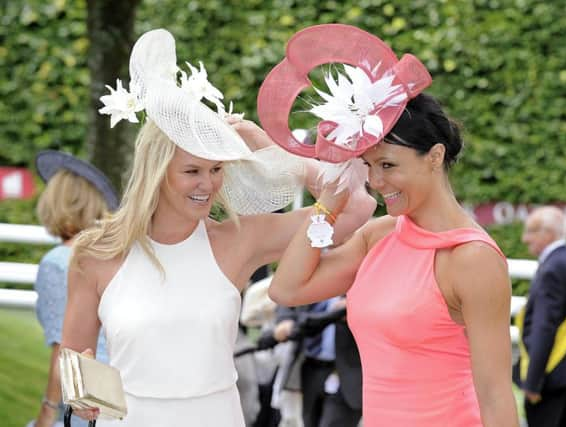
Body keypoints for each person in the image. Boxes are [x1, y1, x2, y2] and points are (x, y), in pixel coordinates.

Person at [60, 29, 375, 426]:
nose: (207, 184)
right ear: (155, 173)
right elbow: (73, 360)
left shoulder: (239, 240)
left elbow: (357, 206)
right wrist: (81, 393)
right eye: (192, 170)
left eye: (216, 169)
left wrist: (262, 144)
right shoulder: (95, 254)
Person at [263, 24, 519, 427]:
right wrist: (330, 197)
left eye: (388, 165)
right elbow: (287, 288)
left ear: (434, 157)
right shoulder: (379, 235)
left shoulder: (473, 259)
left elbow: (495, 393)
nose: (376, 182)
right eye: (367, 166)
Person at [28, 151, 118, 427]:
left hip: (86, 399)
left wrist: (47, 411)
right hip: (121, 391)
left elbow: (64, 351)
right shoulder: (111, 255)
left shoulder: (59, 262)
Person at [514, 206, 566, 426]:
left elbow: (544, 328)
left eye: (531, 231)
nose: (525, 238)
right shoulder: (563, 260)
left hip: (551, 378)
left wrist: (532, 383)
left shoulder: (553, 268)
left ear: (548, 233)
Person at [273, 297, 362, 427]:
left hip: (348, 371)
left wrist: (357, 304)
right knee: (308, 421)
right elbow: (286, 302)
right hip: (310, 367)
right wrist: (285, 320)